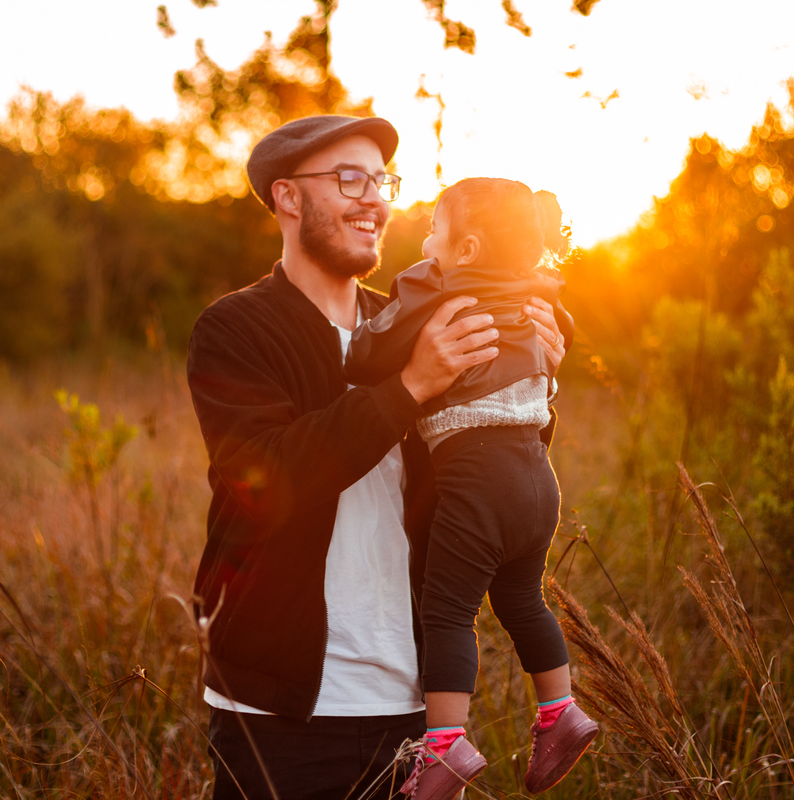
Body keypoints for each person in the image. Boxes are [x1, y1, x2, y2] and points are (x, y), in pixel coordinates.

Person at [185, 115, 568, 800]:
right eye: (347, 178)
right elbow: (264, 481)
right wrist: (412, 385)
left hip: (416, 712)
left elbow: (483, 465)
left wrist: (534, 380)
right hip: (282, 716)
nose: (374, 199)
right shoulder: (238, 327)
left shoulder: (417, 315)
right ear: (288, 198)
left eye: (381, 180)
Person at [344, 178, 599, 799]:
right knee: (521, 598)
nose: (426, 240)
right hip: (537, 479)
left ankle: (444, 746)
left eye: (434, 228)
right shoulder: (543, 290)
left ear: (466, 247)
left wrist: (365, 344)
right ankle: (559, 709)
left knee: (447, 610)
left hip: (475, 475)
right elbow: (553, 345)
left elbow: (367, 357)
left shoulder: (433, 284)